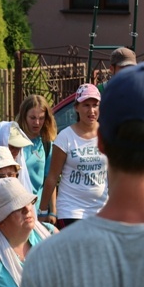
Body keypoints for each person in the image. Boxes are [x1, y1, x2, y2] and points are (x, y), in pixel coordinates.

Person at [15, 58, 144, 287]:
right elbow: (53, 177)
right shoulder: (67, 140)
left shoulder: (44, 262)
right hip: (73, 212)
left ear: (101, 143)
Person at [38, 83, 107, 229]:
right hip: (71, 210)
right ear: (76, 107)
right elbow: (52, 176)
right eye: (86, 105)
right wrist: (43, 210)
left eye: (95, 105)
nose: (91, 110)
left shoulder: (107, 135)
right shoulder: (65, 137)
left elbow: (115, 175)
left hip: (101, 211)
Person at [15, 95, 58, 217]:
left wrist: (52, 211)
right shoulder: (13, 141)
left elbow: (50, 179)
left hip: (37, 210)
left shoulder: (46, 143)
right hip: (15, 208)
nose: (37, 122)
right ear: (24, 116)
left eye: (41, 118)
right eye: (32, 118)